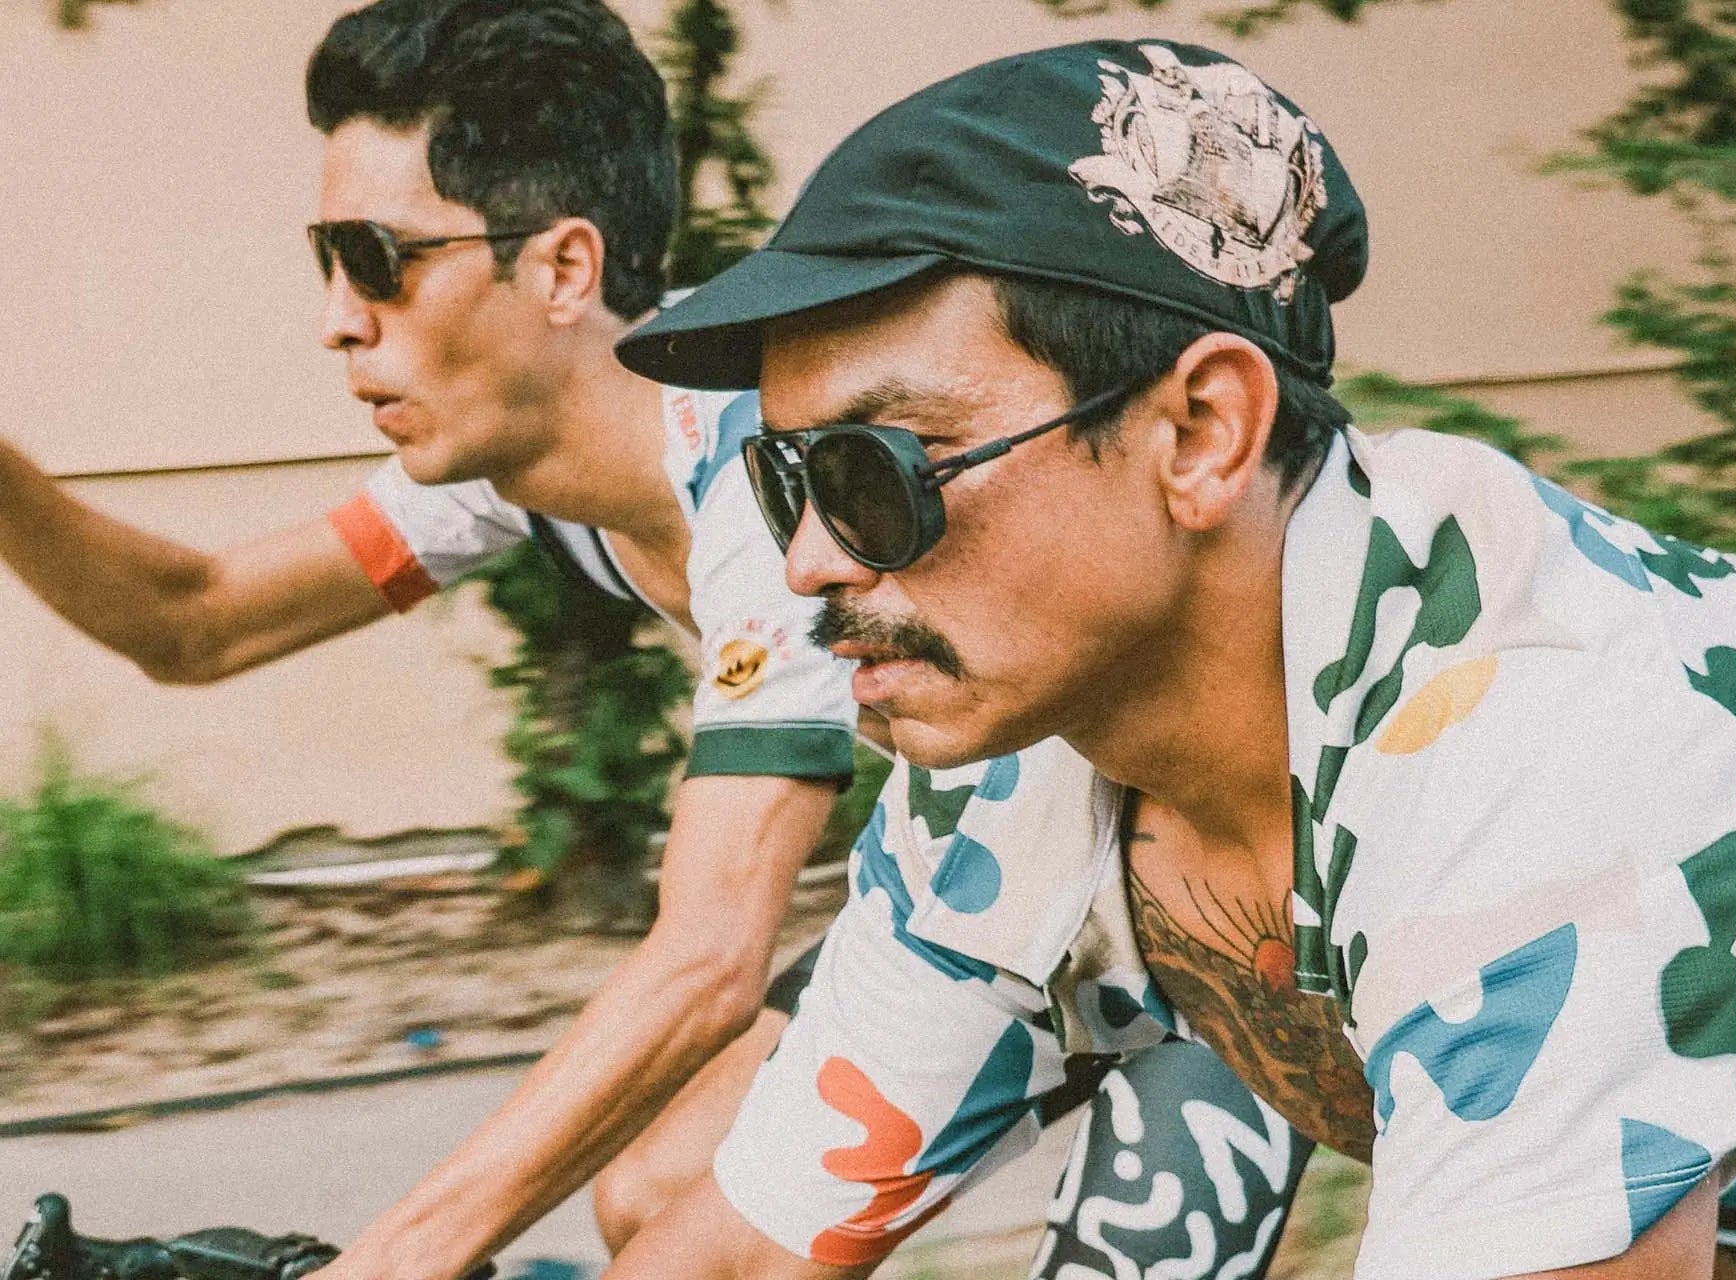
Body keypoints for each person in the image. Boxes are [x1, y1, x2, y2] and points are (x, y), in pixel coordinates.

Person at [0, 7, 1312, 1279]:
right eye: (325, 261)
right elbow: (195, 623)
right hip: (991, 882)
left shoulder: (769, 491)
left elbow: (707, 960)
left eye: (379, 259)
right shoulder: (517, 453)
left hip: (1211, 886)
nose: (340, 317)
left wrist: (394, 1258)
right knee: (655, 1198)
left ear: (562, 270)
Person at [614, 37, 1736, 1280]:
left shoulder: (1549, 757)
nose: (810, 562)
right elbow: (748, 1248)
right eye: (784, 483)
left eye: (877, 473)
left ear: (1202, 433)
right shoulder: (1020, 742)